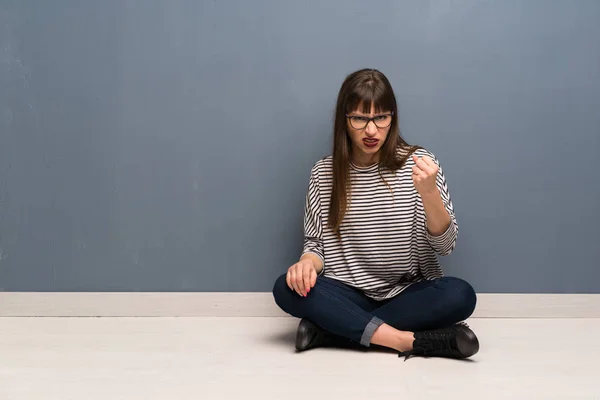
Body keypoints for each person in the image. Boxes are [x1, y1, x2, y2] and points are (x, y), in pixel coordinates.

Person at [272, 68, 480, 360]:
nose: (371, 131)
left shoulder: (421, 164)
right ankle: (404, 340)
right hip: (345, 291)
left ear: (392, 117)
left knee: (461, 295)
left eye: (381, 118)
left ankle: (333, 329)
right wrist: (306, 263)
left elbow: (445, 247)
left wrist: (430, 194)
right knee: (285, 287)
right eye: (359, 118)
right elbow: (315, 246)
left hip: (406, 292)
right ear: (344, 121)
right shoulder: (323, 173)